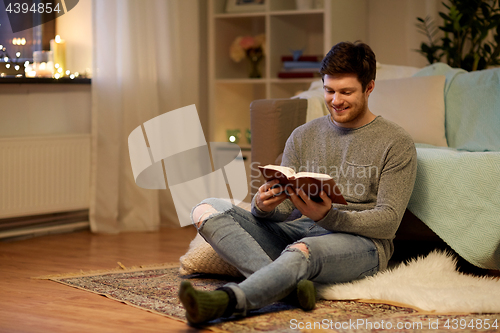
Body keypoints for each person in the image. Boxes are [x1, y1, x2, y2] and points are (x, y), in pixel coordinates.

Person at [179, 41, 417, 325]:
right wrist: (263, 206)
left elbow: (388, 222)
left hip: (361, 244)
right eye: (329, 90)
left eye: (346, 92)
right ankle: (289, 287)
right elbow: (286, 209)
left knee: (302, 251)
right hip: (299, 231)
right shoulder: (303, 135)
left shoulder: (396, 142)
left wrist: (330, 217)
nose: (336, 100)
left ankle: (227, 302)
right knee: (205, 209)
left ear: (369, 88)